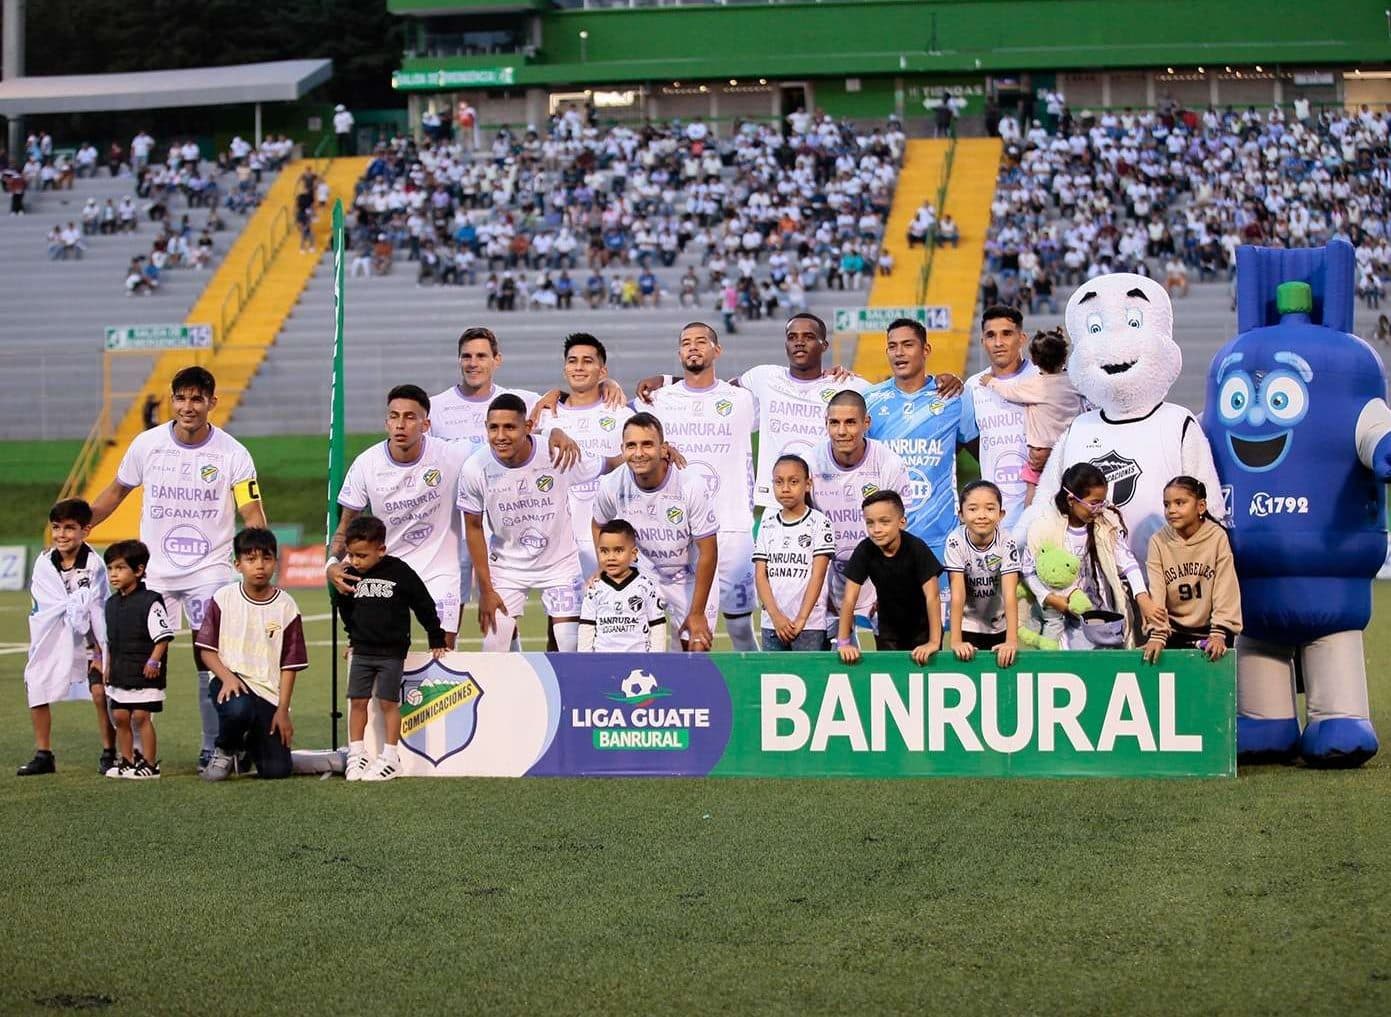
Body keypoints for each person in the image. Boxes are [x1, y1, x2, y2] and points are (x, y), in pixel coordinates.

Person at [89, 367, 265, 772]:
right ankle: (132, 753)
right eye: (181, 398)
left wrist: (258, 547)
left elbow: (251, 509)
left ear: (211, 403)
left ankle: (213, 746)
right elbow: (116, 491)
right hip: (154, 574)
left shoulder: (233, 452)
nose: (188, 406)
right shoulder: (147, 445)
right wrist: (86, 524)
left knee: (211, 662)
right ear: (172, 400)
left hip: (211, 571)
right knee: (136, 660)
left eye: (197, 399)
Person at [459, 394, 616, 652]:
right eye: (493, 428)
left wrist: (655, 454)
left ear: (528, 427)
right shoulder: (475, 468)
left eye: (510, 427)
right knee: (493, 649)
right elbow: (474, 527)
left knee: (570, 645)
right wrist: (486, 589)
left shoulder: (556, 453)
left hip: (560, 565)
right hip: (507, 568)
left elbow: (609, 464)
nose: (500, 436)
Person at [644, 322, 759, 649]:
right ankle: (692, 692)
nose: (693, 347)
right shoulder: (659, 399)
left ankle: (749, 695)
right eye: (686, 343)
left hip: (733, 528)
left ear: (716, 350)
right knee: (686, 630)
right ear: (679, 353)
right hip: (678, 531)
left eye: (701, 341)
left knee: (739, 628)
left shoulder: (742, 399)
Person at [328, 385, 468, 647]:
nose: (400, 424)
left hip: (439, 568)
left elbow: (498, 449)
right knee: (373, 645)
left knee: (444, 646)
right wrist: (331, 565)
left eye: (410, 417)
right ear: (386, 423)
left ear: (426, 424)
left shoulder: (452, 455)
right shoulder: (366, 464)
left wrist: (553, 432)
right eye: (394, 416)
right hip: (386, 566)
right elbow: (345, 526)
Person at [592, 413, 719, 651]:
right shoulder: (611, 484)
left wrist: (698, 612)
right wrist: (603, 567)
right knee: (638, 649)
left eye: (647, 444)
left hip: (689, 576)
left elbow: (708, 551)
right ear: (623, 449)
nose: (639, 453)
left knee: (696, 650)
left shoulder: (690, 484)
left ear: (663, 449)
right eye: (631, 445)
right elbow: (598, 523)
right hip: (644, 576)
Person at [337, 516, 447, 783]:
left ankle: (390, 757)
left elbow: (423, 602)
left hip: (391, 652)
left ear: (381, 550)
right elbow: (346, 608)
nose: (355, 561)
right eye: (351, 554)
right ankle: (357, 753)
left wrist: (436, 636)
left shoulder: (400, 571)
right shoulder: (349, 574)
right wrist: (352, 637)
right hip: (362, 651)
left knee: (388, 702)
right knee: (358, 702)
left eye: (362, 555)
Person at [195, 528, 308, 781]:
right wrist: (226, 677)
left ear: (276, 562)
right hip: (231, 684)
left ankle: (247, 745)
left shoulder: (287, 606)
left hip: (267, 693)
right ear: (238, 564)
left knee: (277, 771)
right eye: (251, 559)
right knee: (239, 709)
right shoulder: (223, 598)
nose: (260, 566)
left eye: (266, 558)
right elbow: (206, 651)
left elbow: (290, 665)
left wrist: (283, 710)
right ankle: (224, 749)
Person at [18, 500, 112, 777]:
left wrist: (99, 651)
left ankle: (109, 751)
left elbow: (99, 609)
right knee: (36, 685)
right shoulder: (44, 563)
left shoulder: (95, 566)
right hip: (52, 636)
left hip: (87, 641)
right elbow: (45, 605)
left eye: (70, 528)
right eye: (57, 527)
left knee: (99, 692)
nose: (61, 534)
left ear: (86, 530)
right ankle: (43, 754)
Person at [1024, 462, 1160, 650]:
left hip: (1103, 620)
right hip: (1066, 623)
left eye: (1102, 502)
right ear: (1072, 500)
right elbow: (1029, 571)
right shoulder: (1044, 528)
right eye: (1094, 503)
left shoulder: (1105, 525)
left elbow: (1127, 561)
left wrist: (1142, 597)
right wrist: (1050, 598)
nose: (1099, 509)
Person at [532, 334, 634, 578]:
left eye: (587, 361)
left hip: (612, 541)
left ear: (602, 370)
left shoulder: (622, 415)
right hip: (559, 541)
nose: (578, 367)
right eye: (572, 361)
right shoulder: (544, 416)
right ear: (564, 368)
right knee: (561, 617)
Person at [811, 390, 911, 637]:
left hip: (877, 574)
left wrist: (890, 585)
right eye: (834, 423)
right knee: (835, 659)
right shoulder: (810, 462)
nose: (841, 431)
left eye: (850, 422)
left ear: (866, 423)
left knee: (886, 656)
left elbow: (899, 531)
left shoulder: (889, 464)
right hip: (826, 577)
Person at [866, 318, 969, 560]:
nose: (899, 353)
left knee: (942, 600)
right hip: (886, 537)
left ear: (926, 350)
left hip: (941, 537)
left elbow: (976, 453)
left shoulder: (953, 397)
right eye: (892, 346)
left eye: (908, 344)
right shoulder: (870, 400)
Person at [1142, 476, 1242, 665]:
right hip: (1172, 631)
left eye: (1180, 503)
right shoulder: (1158, 541)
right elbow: (1157, 591)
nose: (1171, 510)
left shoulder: (1217, 537)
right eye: (1167, 504)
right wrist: (1158, 633)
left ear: (1201, 507)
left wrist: (1220, 632)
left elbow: (1225, 587)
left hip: (1211, 630)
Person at [836, 491, 943, 664]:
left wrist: (933, 642)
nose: (876, 529)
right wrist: (844, 642)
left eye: (884, 522)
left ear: (902, 523)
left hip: (923, 630)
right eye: (870, 523)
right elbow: (849, 597)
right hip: (888, 631)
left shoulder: (917, 548)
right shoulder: (864, 550)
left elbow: (933, 596)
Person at [981, 328, 1086, 505]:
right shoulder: (1073, 382)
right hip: (1068, 450)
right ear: (1064, 356)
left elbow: (1009, 391)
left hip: (1040, 451)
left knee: (1033, 491)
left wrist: (990, 381)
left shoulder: (1035, 385)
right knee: (1067, 494)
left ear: (1035, 360)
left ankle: (1027, 524)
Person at [102, 540, 175, 779]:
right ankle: (127, 760)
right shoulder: (111, 604)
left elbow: (162, 638)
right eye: (110, 568)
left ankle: (150, 764)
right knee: (121, 716)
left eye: (120, 568)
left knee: (142, 716)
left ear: (139, 570)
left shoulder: (150, 601)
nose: (114, 574)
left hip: (145, 671)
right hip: (120, 672)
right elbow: (110, 641)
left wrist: (154, 661)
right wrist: (107, 666)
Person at [960, 306, 1035, 532]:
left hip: (1041, 506)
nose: (998, 342)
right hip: (995, 514)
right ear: (982, 341)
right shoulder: (973, 386)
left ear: (1022, 338)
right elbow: (969, 441)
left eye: (1006, 334)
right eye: (991, 335)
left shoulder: (1042, 378)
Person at [752, 454, 836, 651]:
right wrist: (776, 616)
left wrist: (802, 618)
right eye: (779, 482)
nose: (786, 488)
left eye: (794, 481)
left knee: (810, 679)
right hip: (772, 624)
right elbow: (760, 575)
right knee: (773, 677)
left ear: (807, 484)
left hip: (809, 625)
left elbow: (818, 575)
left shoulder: (820, 523)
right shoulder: (767, 524)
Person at [944, 481, 1021, 667]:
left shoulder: (1007, 541)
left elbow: (1010, 593)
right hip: (968, 626)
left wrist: (1011, 641)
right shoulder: (955, 541)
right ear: (961, 515)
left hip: (999, 625)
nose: (981, 516)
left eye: (989, 508)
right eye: (973, 509)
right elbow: (957, 593)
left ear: (1001, 514)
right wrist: (955, 640)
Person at [577, 520, 668, 652]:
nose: (611, 557)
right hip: (603, 662)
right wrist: (585, 662)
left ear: (633, 553)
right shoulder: (594, 588)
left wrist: (655, 659)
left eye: (618, 550)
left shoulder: (646, 585)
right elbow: (586, 627)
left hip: (638, 661)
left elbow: (657, 625)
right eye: (604, 551)